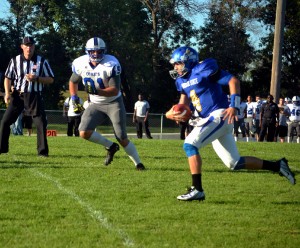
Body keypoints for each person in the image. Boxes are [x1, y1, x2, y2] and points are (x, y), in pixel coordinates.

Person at [165, 46, 295, 201]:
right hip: (209, 119)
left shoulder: (202, 69)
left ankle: (197, 189)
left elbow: (233, 81)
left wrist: (234, 105)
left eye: (177, 63)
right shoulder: (181, 80)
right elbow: (183, 106)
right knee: (234, 163)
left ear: (188, 60)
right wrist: (171, 114)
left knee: (189, 145)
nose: (175, 67)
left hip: (219, 114)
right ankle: (277, 166)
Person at [68, 37, 145, 170]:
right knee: (83, 132)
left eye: (99, 51)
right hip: (95, 104)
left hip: (113, 103)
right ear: (88, 51)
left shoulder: (111, 63)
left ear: (104, 51)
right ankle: (111, 146)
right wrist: (74, 97)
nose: (96, 54)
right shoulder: (80, 63)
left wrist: (97, 91)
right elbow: (73, 81)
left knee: (121, 136)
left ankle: (138, 163)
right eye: (93, 52)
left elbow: (114, 90)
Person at [0, 36, 54, 156]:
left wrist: (37, 78)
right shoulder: (15, 60)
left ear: (34, 47)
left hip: (34, 96)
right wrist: (7, 93)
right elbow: (7, 78)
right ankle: (2, 149)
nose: (29, 48)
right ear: (22, 47)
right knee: (5, 122)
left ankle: (42, 152)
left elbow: (51, 79)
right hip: (18, 96)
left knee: (40, 124)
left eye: (31, 45)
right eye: (27, 45)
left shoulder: (42, 61)